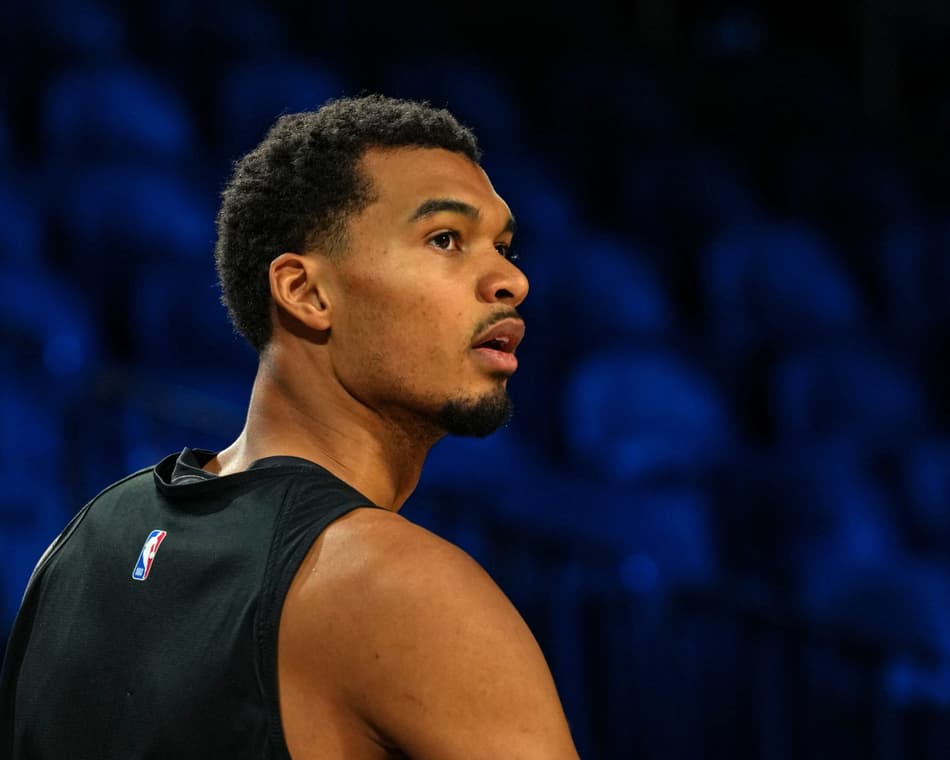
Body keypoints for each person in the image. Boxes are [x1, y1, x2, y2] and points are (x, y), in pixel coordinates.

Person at [0, 93, 581, 759]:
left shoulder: (82, 540)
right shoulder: (404, 590)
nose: (511, 280)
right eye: (445, 238)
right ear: (306, 293)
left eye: (505, 246)